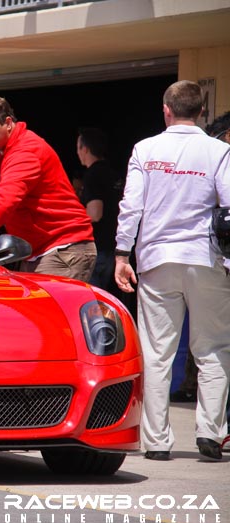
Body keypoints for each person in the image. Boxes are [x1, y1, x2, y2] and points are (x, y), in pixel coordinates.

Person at [114, 80, 230, 462]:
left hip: (157, 261)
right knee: (212, 348)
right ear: (202, 111)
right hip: (205, 259)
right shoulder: (219, 151)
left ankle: (158, 441)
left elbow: (131, 207)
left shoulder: (145, 150)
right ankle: (211, 434)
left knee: (156, 351)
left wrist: (121, 254)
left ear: (166, 109)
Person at [0, 94, 96, 281]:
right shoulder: (10, 150)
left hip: (61, 250)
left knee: (46, 310)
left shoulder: (24, 151)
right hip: (45, 250)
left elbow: (4, 203)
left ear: (8, 123)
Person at [171, 110, 230, 404]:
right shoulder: (218, 157)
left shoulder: (218, 157)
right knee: (212, 340)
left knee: (208, 340)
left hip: (204, 257)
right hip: (210, 258)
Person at [76, 127, 122, 294]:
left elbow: (95, 213)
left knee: (91, 301)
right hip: (113, 246)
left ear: (85, 149)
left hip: (97, 248)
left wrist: (74, 220)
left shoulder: (93, 174)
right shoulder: (113, 173)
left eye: (78, 147)